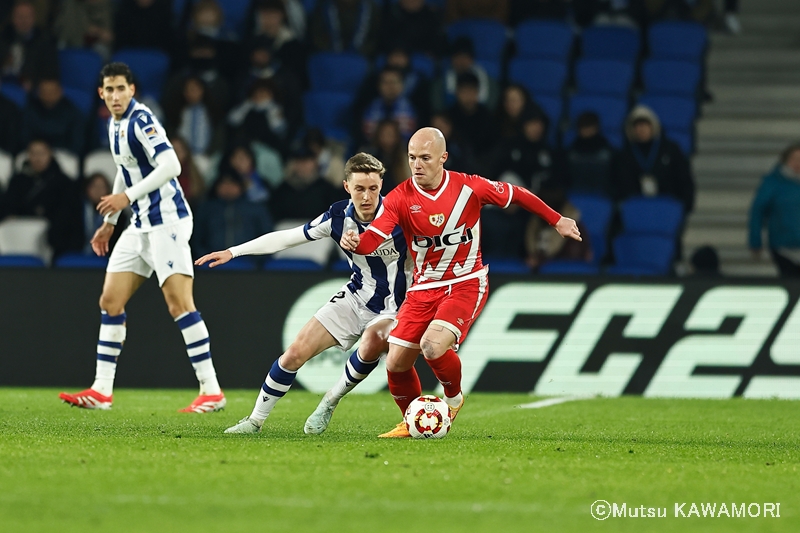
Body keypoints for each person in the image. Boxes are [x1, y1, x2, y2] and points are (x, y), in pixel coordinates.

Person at [340, 127, 581, 437]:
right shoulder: (400, 197)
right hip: (424, 287)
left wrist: (556, 219)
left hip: (466, 282)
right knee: (396, 364)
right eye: (412, 157)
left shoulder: (470, 187)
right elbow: (375, 235)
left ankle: (452, 400)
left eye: (425, 158)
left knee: (431, 345)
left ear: (443, 157)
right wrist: (356, 242)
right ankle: (416, 421)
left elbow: (517, 194)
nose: (417, 165)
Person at [194, 153, 412, 435]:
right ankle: (254, 421)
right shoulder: (337, 217)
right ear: (347, 187)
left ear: (382, 184)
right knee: (294, 354)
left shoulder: (402, 215)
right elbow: (286, 238)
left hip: (396, 307)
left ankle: (329, 401)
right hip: (356, 297)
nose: (367, 196)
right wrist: (233, 251)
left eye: (373, 188)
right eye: (359, 189)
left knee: (373, 340)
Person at [58, 62, 225, 413]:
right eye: (109, 90)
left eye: (122, 88)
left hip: (168, 222)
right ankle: (102, 390)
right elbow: (126, 169)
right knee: (110, 301)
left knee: (180, 304)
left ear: (132, 90)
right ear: (101, 94)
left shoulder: (141, 120)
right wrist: (110, 219)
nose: (116, 95)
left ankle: (212, 390)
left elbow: (172, 167)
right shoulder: (114, 124)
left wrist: (126, 199)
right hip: (139, 224)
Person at [0, 138, 83, 257]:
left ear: (50, 154)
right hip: (17, 238)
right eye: (33, 153)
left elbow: (67, 214)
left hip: (52, 242)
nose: (37, 158)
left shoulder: (64, 183)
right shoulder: (17, 181)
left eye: (41, 153)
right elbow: (8, 206)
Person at [192, 172, 274, 258]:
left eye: (232, 183)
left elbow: (267, 237)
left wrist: (257, 262)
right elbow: (197, 239)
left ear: (241, 187)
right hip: (211, 264)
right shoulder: (206, 209)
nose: (228, 187)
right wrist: (205, 258)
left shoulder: (255, 209)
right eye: (224, 183)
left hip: (249, 264)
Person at [748, 143, 800, 278]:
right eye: (794, 159)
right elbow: (757, 211)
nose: (797, 163)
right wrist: (755, 241)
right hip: (783, 246)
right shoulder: (772, 183)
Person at [21, 78, 86, 156]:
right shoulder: (30, 111)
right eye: (45, 92)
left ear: (60, 92)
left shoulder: (73, 113)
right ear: (39, 93)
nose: (48, 96)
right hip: (35, 154)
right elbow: (24, 137)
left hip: (63, 155)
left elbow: (77, 142)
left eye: (52, 92)